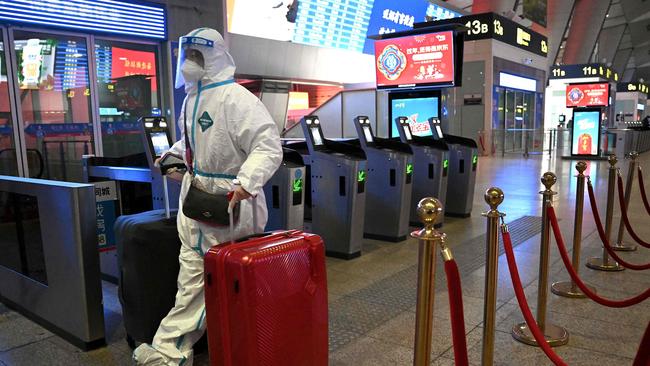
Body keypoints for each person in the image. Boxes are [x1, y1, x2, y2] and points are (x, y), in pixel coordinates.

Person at [133, 28, 282, 365]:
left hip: (231, 207)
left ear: (213, 57)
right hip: (197, 203)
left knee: (228, 281)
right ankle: (175, 350)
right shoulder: (191, 99)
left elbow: (268, 146)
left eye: (196, 57)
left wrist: (244, 183)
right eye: (186, 56)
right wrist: (171, 158)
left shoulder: (238, 99)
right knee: (193, 280)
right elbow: (189, 144)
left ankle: (191, 348)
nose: (188, 64)